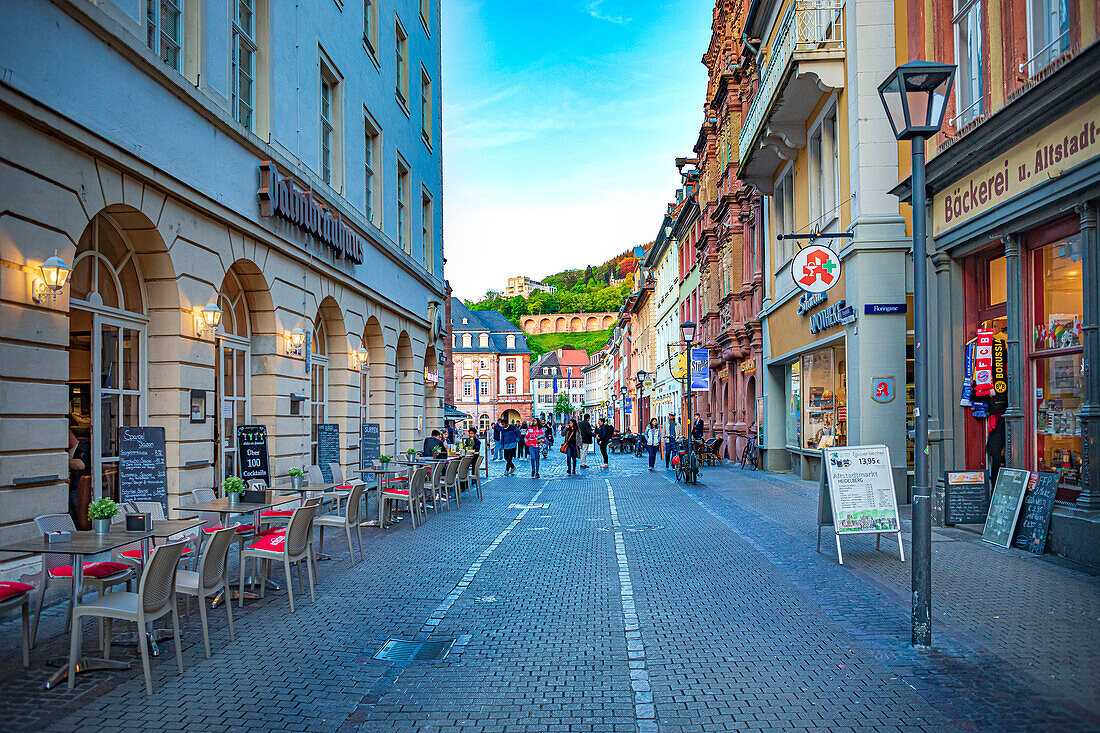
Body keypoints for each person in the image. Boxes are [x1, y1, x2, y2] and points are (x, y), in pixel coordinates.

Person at [67, 420, 91, 524]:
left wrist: (59, 460)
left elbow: (81, 465)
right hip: (71, 485)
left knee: (75, 512)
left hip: (77, 487)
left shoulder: (83, 446)